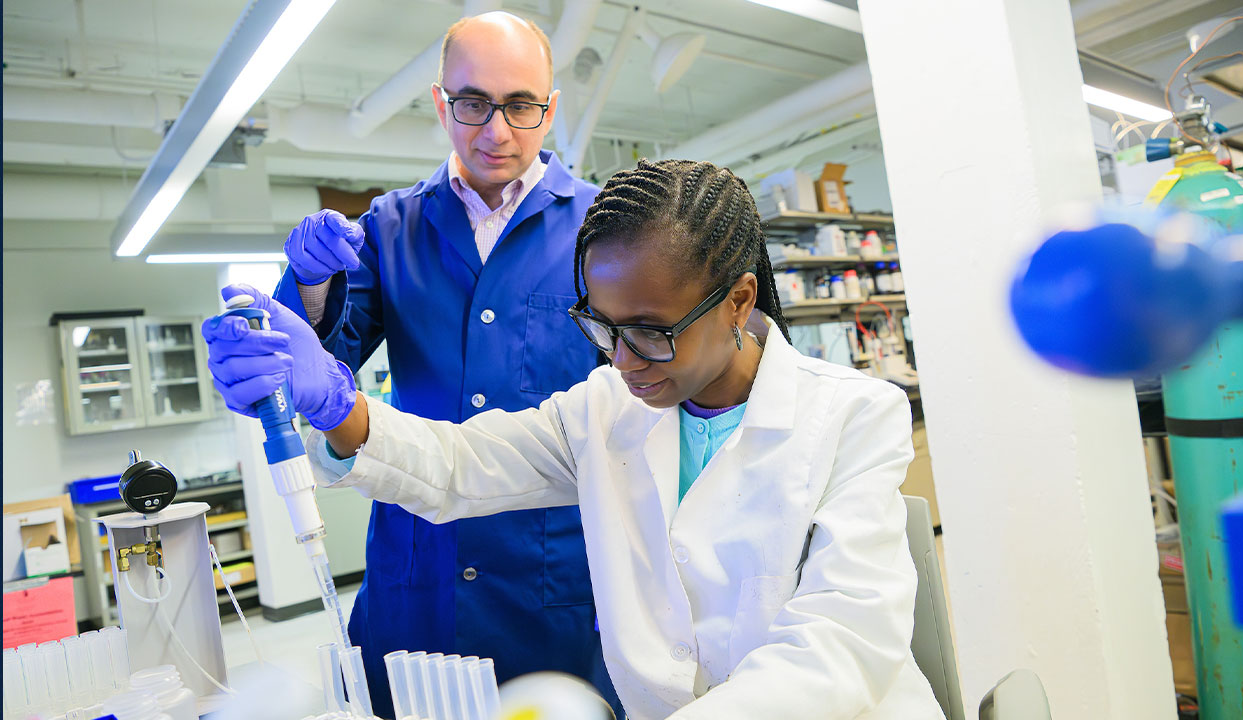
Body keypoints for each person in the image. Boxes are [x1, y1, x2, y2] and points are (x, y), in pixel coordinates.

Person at [206, 159, 946, 719]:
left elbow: (840, 641)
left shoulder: (856, 416)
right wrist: (337, 405)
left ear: (740, 300)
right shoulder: (605, 409)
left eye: (651, 333)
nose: (621, 361)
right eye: (602, 327)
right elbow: (463, 465)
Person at [269, 11, 611, 716]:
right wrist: (309, 286)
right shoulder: (390, 228)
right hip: (419, 559)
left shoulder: (603, 230)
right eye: (473, 103)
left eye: (520, 106)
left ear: (551, 108)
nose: (496, 130)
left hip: (555, 574)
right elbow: (320, 366)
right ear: (440, 102)